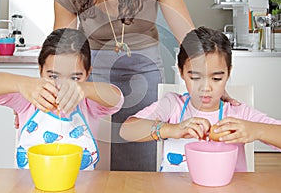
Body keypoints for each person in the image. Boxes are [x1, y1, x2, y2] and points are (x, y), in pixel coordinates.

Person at [52, 0, 237, 171]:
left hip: (145, 73)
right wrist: (45, 101)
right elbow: (62, 54)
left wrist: (209, 79)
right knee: (95, 161)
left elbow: (187, 38)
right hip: (94, 79)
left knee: (143, 158)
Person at [120, 27, 281, 172]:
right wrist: (173, 129)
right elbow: (127, 130)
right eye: (195, 77)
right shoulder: (172, 105)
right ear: (181, 72)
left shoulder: (238, 112)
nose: (205, 87)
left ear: (228, 73)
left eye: (216, 78)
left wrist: (258, 130)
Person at [0, 28, 123, 170]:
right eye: (53, 76)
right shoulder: (30, 97)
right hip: (29, 187)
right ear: (40, 69)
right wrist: (21, 83)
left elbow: (117, 98)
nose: (63, 85)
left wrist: (85, 89)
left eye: (75, 78)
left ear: (88, 73)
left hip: (81, 188)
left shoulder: (89, 102)